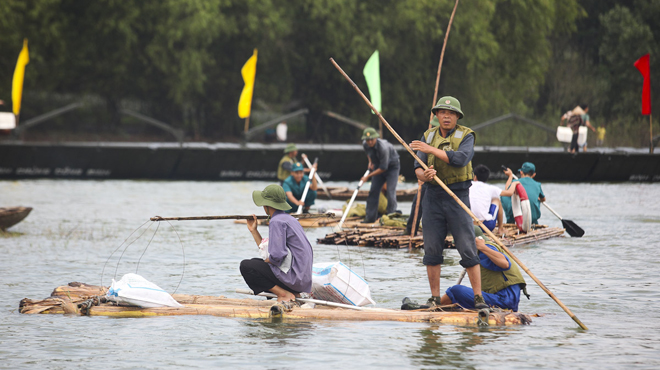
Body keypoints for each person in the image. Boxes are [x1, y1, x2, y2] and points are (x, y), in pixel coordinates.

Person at [409, 96, 487, 309]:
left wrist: (431, 150)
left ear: (457, 117)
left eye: (451, 113)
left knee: (467, 247)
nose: (446, 116)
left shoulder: (467, 135)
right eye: (442, 112)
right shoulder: (428, 135)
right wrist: (426, 175)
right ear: (436, 115)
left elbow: (461, 159)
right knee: (432, 250)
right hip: (432, 197)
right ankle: (434, 298)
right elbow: (417, 167)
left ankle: (478, 298)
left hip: (457, 196)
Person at [240, 184, 314, 302]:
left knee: (246, 266)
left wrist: (269, 260)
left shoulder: (276, 221)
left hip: (294, 279)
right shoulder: (289, 219)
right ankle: (293, 293)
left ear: (267, 205)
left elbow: (277, 256)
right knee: (254, 263)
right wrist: (254, 231)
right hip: (302, 280)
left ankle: (283, 294)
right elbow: (269, 251)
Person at [440, 226, 528, 311]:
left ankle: (436, 307)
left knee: (455, 291)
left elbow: (505, 264)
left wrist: (482, 247)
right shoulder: (479, 253)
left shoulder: (485, 249)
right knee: (459, 303)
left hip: (504, 300)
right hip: (502, 300)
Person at [360, 127, 400, 223]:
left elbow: (383, 168)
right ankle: (370, 217)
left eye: (371, 140)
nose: (369, 142)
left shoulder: (383, 148)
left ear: (376, 138)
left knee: (390, 191)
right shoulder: (365, 144)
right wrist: (370, 162)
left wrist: (368, 177)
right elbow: (368, 154)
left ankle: (391, 215)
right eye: (367, 140)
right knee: (373, 191)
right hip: (378, 164)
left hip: (391, 167)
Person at [469, 164, 514, 234]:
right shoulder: (490, 188)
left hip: (469, 226)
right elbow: (510, 193)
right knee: (496, 200)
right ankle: (500, 229)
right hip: (486, 226)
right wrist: (511, 177)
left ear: (475, 177)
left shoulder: (468, 186)